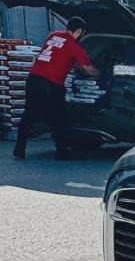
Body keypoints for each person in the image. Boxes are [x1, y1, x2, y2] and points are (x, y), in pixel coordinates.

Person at [12, 16, 99, 160]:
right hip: (51, 84)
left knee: (29, 114)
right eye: (81, 33)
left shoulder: (53, 36)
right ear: (78, 31)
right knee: (57, 117)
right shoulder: (74, 46)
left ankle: (19, 148)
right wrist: (101, 73)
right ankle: (61, 151)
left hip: (33, 79)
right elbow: (87, 69)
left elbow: (56, 55)